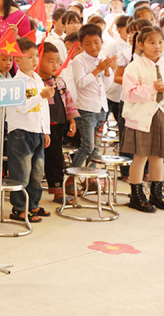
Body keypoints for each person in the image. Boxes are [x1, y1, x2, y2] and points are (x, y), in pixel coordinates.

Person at [6, 38, 55, 222]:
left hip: (37, 131)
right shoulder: (16, 82)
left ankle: (32, 205)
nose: (35, 60)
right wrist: (41, 95)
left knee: (37, 172)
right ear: (17, 59)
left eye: (36, 56)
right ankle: (19, 208)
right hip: (21, 132)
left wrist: (46, 130)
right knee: (21, 172)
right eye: (29, 57)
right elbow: (21, 107)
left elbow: (44, 108)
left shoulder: (37, 79)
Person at [120, 26, 164, 212]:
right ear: (141, 44)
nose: (157, 46)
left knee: (158, 157)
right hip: (140, 117)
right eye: (151, 42)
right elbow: (130, 95)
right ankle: (136, 194)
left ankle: (157, 192)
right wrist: (153, 88)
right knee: (140, 156)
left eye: (160, 42)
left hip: (160, 114)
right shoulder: (134, 67)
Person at [69, 24, 116, 169]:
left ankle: (91, 178)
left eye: (96, 42)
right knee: (87, 146)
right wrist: (98, 69)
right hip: (86, 109)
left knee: (96, 147)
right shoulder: (79, 60)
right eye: (88, 44)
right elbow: (81, 83)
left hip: (102, 108)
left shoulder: (102, 57)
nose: (93, 46)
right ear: (81, 44)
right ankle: (71, 176)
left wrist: (106, 69)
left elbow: (107, 85)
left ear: (102, 41)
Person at [38, 42, 79, 203]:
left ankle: (58, 192)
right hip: (39, 129)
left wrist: (72, 120)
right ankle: (31, 195)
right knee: (37, 162)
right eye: (50, 61)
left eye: (58, 61)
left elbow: (68, 102)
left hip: (56, 128)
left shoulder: (59, 82)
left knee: (56, 160)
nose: (55, 65)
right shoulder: (35, 83)